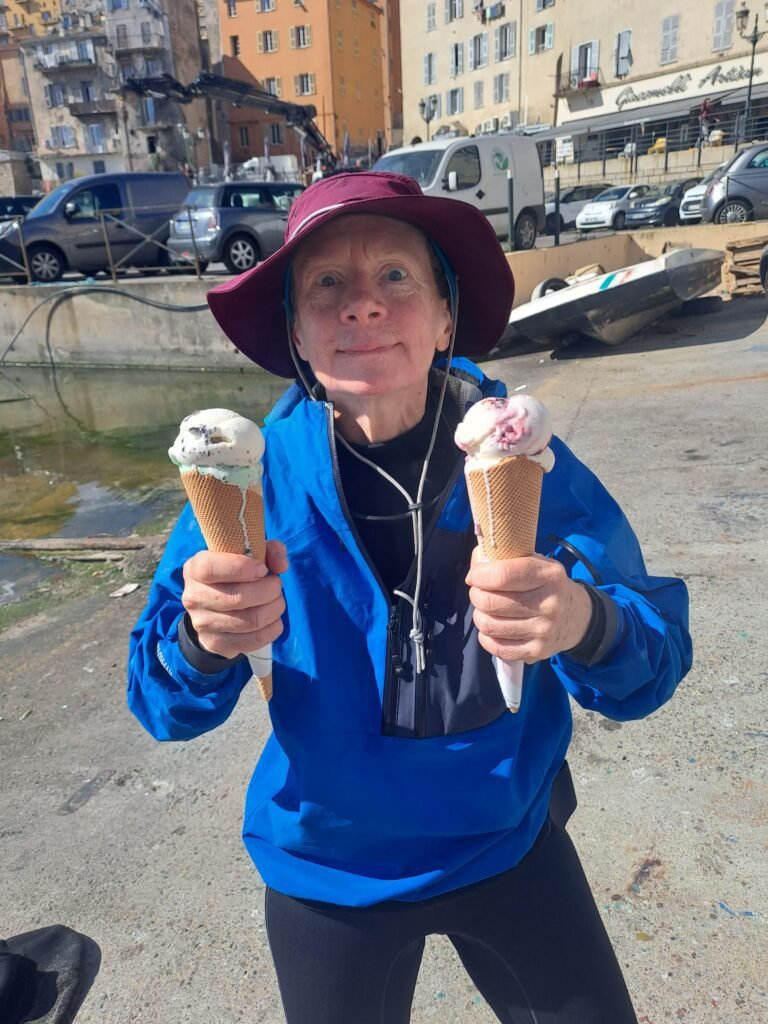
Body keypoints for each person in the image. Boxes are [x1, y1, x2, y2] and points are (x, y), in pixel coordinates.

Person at [128, 172, 692, 1023]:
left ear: (443, 319)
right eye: (327, 284)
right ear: (296, 331)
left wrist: (585, 620)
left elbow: (653, 662)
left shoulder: (520, 457)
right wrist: (204, 641)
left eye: (395, 276)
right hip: (329, 868)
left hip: (507, 838)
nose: (362, 306)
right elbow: (160, 704)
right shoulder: (252, 480)